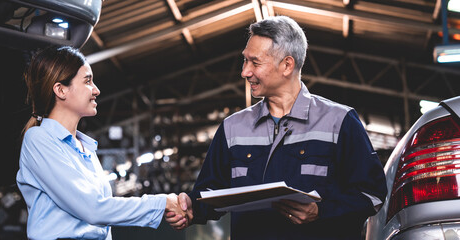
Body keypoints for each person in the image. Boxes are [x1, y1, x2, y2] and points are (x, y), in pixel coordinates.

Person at [166, 15, 387, 239]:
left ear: (287, 65)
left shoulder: (340, 121)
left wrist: (321, 211)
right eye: (245, 61)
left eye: (255, 62)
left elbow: (373, 195)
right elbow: (208, 195)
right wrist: (189, 207)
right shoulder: (232, 129)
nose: (245, 72)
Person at [16, 46, 187, 240]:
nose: (96, 90)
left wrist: (165, 207)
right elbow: (93, 208)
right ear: (61, 89)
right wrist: (162, 202)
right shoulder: (39, 139)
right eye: (87, 81)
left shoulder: (85, 148)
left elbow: (102, 214)